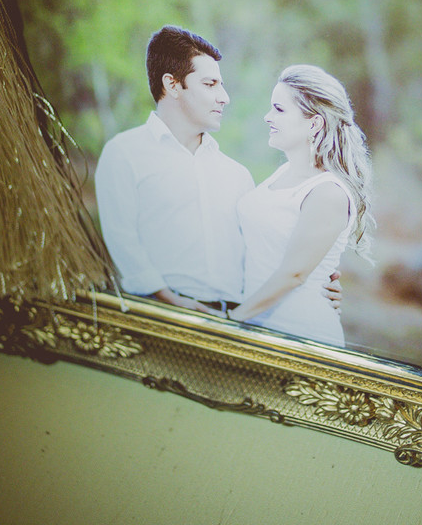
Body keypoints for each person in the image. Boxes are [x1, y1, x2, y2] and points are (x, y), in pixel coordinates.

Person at [94, 27, 340, 315]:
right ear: (172, 85)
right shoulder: (125, 154)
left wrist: (319, 279)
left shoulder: (237, 175)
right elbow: (122, 242)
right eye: (210, 84)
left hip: (234, 322)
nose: (224, 97)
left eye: (221, 85)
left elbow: (265, 247)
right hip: (158, 317)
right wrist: (172, 302)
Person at [225, 65, 374, 347]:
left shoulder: (328, 192)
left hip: (298, 336)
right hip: (255, 325)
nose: (268, 117)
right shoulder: (282, 173)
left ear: (314, 123)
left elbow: (294, 273)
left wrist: (231, 322)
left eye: (279, 109)